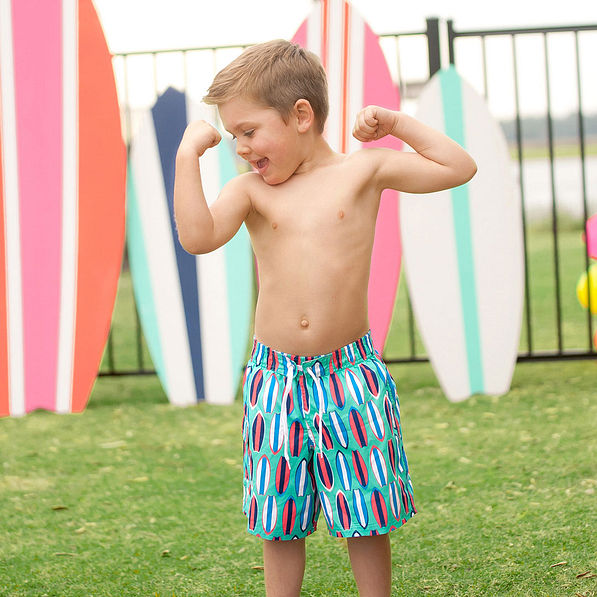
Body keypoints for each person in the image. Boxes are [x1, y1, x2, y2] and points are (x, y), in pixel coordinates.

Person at [174, 39, 476, 597]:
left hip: (351, 374)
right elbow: (197, 237)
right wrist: (186, 157)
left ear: (301, 116)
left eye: (248, 132)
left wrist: (396, 121)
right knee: (279, 514)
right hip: (275, 377)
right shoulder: (250, 194)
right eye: (233, 135)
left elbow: (459, 166)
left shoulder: (364, 172)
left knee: (367, 511)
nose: (240, 148)